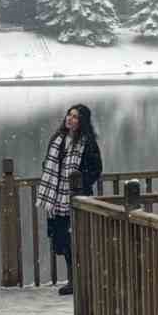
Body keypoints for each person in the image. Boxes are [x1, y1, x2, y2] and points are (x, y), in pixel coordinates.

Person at [35, 104, 102, 295]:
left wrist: (79, 182)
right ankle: (74, 279)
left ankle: (79, 280)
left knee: (78, 240)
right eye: (69, 115)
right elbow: (49, 162)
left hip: (77, 198)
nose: (70, 119)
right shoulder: (58, 139)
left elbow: (96, 169)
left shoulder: (87, 142)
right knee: (64, 242)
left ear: (82, 122)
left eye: (75, 117)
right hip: (57, 198)